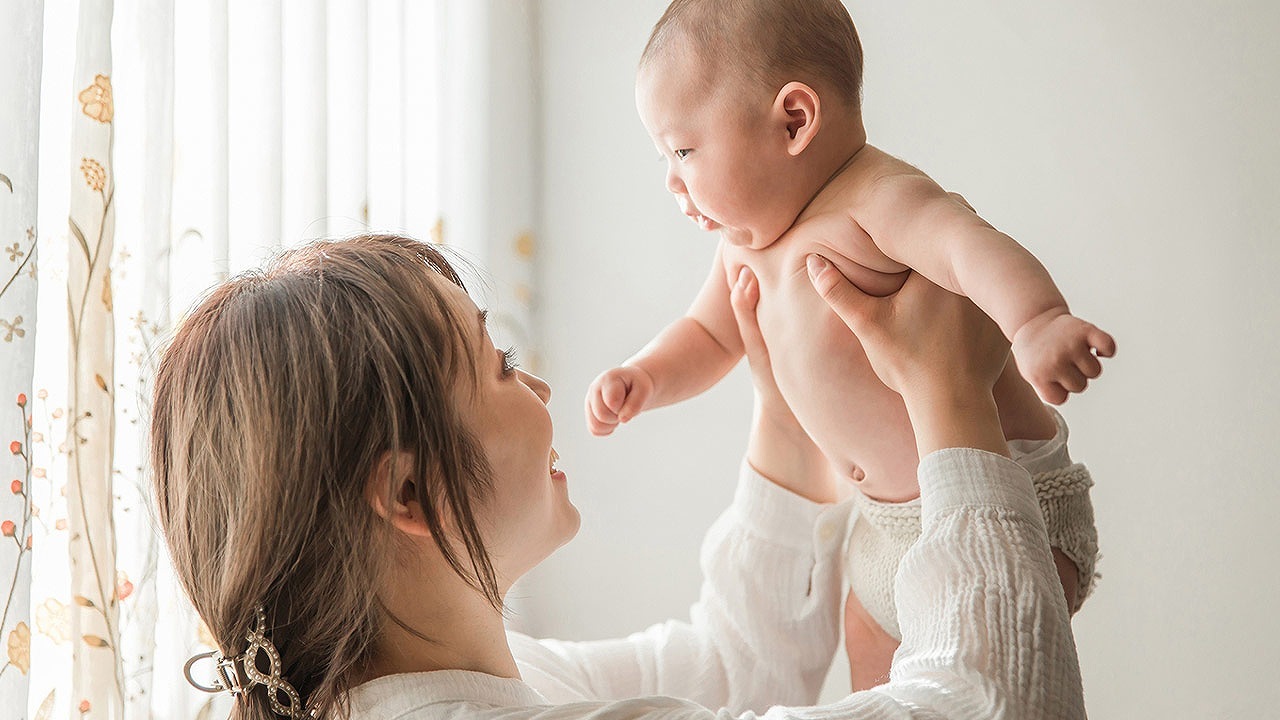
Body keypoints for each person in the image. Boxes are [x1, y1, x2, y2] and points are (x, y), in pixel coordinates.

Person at [154, 233, 1084, 720]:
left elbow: (732, 669)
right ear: (406, 495)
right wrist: (948, 396)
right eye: (500, 363)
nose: (544, 388)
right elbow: (997, 709)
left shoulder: (416, 685)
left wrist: (785, 402)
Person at [584, 0, 1107, 689]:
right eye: (663, 157)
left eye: (683, 150)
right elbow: (709, 335)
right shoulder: (743, 244)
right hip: (882, 528)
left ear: (794, 120)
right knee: (869, 650)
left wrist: (1036, 321)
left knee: (997, 664)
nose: (673, 182)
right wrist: (646, 376)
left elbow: (965, 247)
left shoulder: (875, 197)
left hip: (1007, 499)